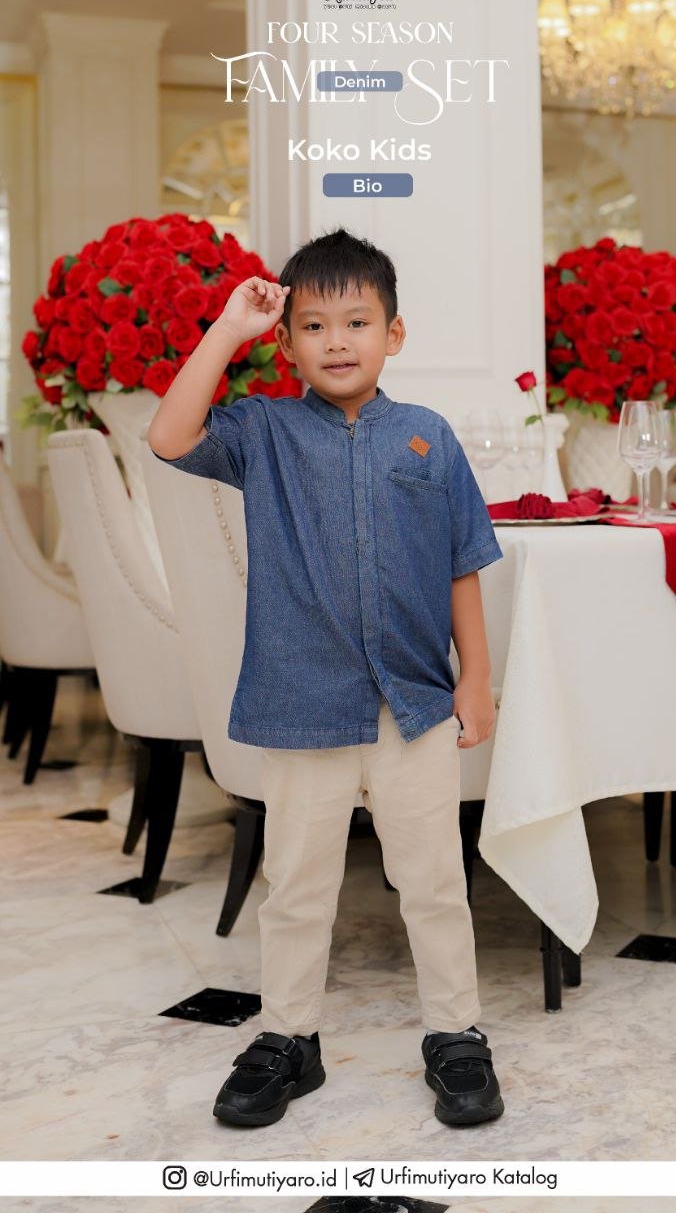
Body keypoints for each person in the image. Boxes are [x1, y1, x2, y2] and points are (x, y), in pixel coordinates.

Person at [147, 227, 505, 1130]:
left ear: (394, 333)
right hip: (303, 707)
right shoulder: (262, 431)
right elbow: (167, 434)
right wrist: (228, 328)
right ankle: (288, 1038)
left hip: (414, 706)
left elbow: (463, 562)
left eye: (357, 321)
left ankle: (456, 1031)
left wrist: (475, 679)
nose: (337, 341)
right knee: (298, 887)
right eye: (314, 325)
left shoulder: (428, 438)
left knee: (434, 882)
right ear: (287, 343)